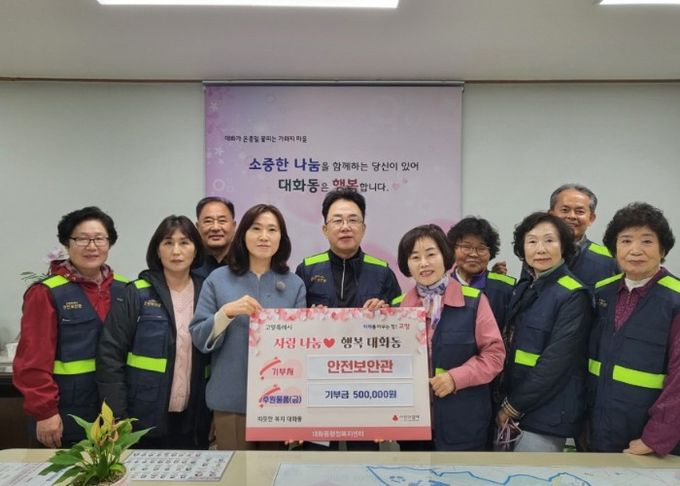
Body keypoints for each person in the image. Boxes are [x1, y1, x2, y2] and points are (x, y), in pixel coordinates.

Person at [190, 204, 306, 450]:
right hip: (231, 399)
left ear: (281, 238)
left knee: (274, 469)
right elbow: (199, 337)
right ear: (243, 234)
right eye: (256, 228)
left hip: (280, 401)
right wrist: (226, 313)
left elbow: (300, 349)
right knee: (237, 470)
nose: (264, 236)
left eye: (272, 230)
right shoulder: (217, 279)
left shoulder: (295, 284)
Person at [13, 206, 127, 448]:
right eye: (82, 239)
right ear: (67, 243)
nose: (92, 246)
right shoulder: (46, 293)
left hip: (113, 415)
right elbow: (31, 361)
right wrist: (45, 412)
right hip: (64, 416)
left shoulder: (124, 289)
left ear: (110, 243)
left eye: (99, 238)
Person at [96, 215, 211, 449]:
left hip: (195, 418)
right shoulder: (137, 293)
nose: (176, 251)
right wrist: (117, 416)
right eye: (168, 243)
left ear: (196, 250)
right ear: (157, 250)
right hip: (142, 419)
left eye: (184, 242)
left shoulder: (208, 292)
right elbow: (110, 355)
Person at [396, 224, 505, 451]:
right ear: (407, 264)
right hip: (413, 425)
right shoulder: (397, 308)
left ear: (445, 256)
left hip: (464, 423)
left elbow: (494, 355)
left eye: (431, 254)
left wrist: (455, 378)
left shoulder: (474, 300)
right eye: (415, 257)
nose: (424, 263)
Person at [587, 202, 680, 456]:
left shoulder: (675, 299)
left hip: (649, 439)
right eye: (626, 241)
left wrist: (655, 438)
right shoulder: (602, 292)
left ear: (663, 249)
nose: (635, 250)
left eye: (647, 241)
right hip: (599, 429)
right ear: (614, 249)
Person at [497, 212, 592, 452]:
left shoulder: (573, 295)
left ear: (564, 246)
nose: (541, 249)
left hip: (546, 413)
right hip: (514, 403)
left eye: (549, 240)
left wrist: (512, 406)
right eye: (532, 241)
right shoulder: (524, 287)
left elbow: (555, 363)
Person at [296, 188, 401, 310]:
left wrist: (385, 310)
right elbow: (294, 314)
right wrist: (309, 316)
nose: (345, 227)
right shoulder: (307, 270)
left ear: (363, 229)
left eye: (352, 220)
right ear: (325, 230)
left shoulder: (382, 271)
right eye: (337, 221)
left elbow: (401, 312)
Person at [447, 217, 516, 331]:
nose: (474, 254)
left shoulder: (506, 288)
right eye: (466, 247)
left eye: (481, 248)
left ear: (490, 253)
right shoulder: (441, 287)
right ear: (453, 249)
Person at [548, 183, 618, 287]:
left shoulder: (609, 259)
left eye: (579, 211)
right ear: (551, 215)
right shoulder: (536, 253)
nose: (572, 216)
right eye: (565, 210)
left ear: (591, 218)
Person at [193, 196, 237, 278]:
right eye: (208, 221)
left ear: (234, 226)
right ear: (198, 227)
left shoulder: (246, 263)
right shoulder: (189, 264)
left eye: (222, 221)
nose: (215, 228)